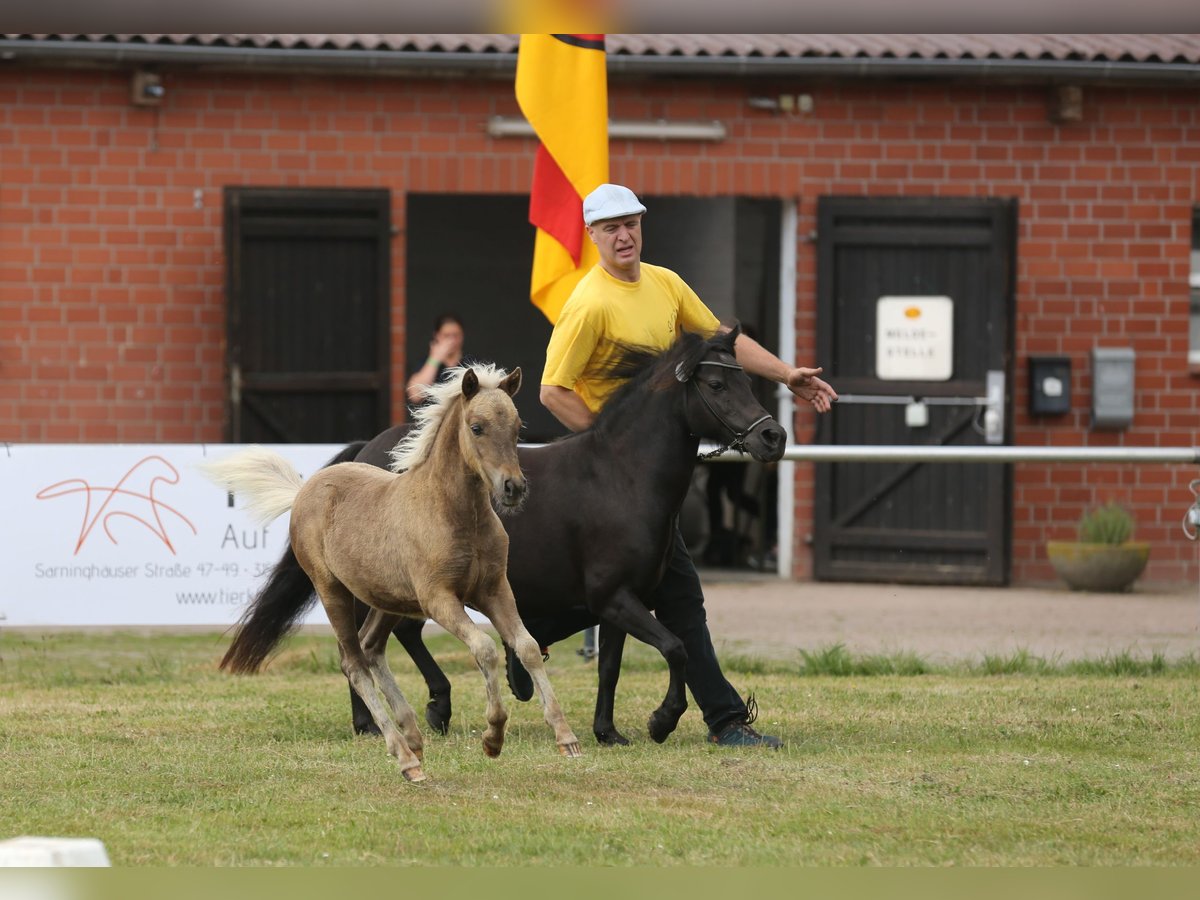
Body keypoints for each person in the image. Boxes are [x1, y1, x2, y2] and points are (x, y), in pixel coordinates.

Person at [533, 183, 837, 749]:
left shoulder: (666, 284)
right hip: (605, 484)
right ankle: (724, 721)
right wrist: (610, 449)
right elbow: (553, 391)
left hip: (650, 487)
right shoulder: (588, 303)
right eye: (611, 228)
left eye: (632, 224)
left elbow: (720, 340)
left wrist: (787, 374)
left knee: (677, 597)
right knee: (670, 594)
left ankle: (723, 720)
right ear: (593, 236)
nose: (624, 235)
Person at [406, 313, 465, 404]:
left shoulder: (471, 363)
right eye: (446, 335)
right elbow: (415, 395)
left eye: (456, 335)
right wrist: (435, 359)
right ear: (437, 336)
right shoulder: (424, 363)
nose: (452, 341)